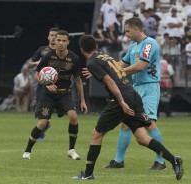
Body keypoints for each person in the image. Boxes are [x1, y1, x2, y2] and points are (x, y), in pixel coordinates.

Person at [73, 34, 183, 180]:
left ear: (81, 50)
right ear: (97, 46)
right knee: (142, 138)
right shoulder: (105, 57)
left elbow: (110, 82)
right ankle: (173, 160)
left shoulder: (92, 62)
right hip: (132, 94)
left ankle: (87, 174)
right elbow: (115, 71)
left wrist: (121, 102)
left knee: (96, 134)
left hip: (121, 99)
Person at [104, 17, 166, 170]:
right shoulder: (133, 47)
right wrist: (101, 69)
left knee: (150, 123)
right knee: (125, 124)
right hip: (136, 88)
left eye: (128, 31)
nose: (126, 34)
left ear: (137, 29)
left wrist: (120, 71)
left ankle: (161, 161)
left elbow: (140, 66)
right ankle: (119, 161)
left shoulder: (149, 43)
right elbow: (121, 64)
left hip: (149, 88)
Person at [22, 30, 88, 160]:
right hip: (49, 94)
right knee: (42, 124)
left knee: (74, 117)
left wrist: (82, 101)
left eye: (64, 41)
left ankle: (71, 150)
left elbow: (78, 81)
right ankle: (27, 151)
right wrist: (46, 84)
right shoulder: (48, 57)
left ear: (68, 42)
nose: (61, 43)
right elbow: (37, 74)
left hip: (65, 93)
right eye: (59, 40)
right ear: (55, 41)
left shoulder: (74, 58)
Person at [28, 27, 59, 141]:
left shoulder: (61, 51)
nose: (54, 37)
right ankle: (43, 127)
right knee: (42, 112)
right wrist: (37, 62)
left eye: (56, 35)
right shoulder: (42, 50)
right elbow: (29, 64)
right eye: (52, 35)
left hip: (58, 84)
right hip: (43, 84)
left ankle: (44, 125)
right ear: (48, 37)